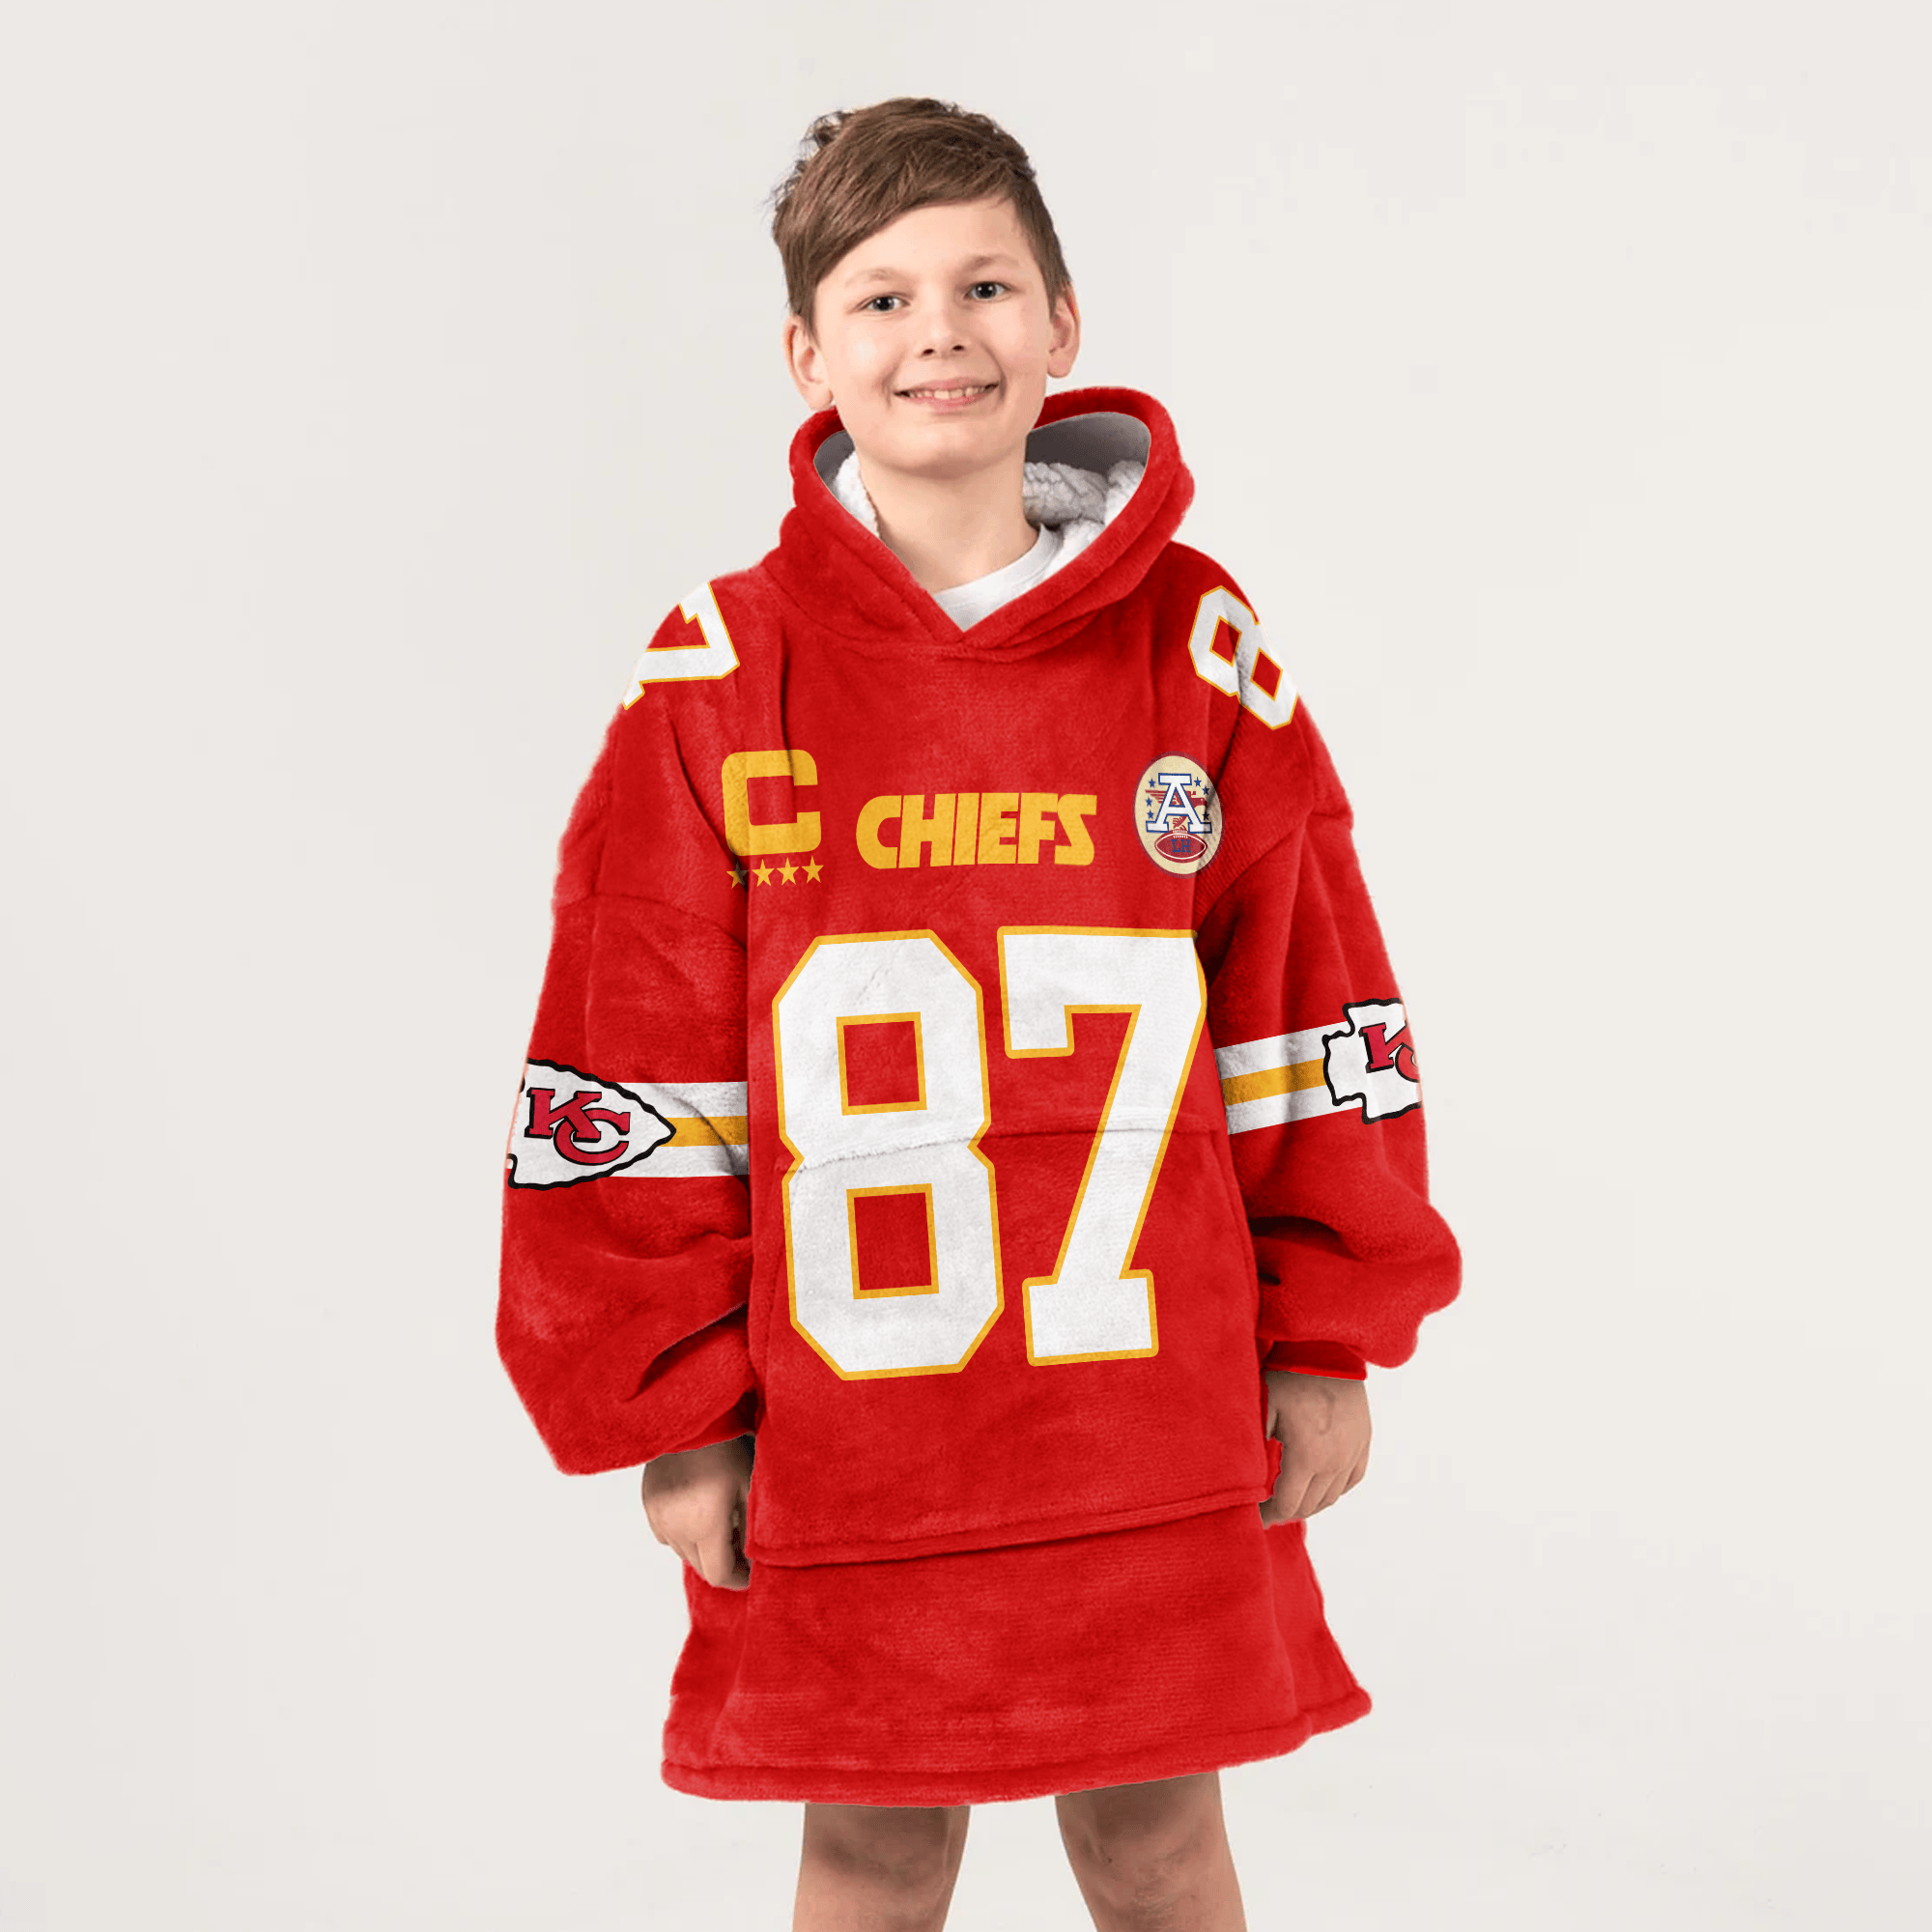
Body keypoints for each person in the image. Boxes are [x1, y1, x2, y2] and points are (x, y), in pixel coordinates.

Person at [497, 95, 1461, 1932]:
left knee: (1157, 1841)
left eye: (985, 286)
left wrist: (1329, 1328)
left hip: (1147, 1413)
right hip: (852, 1429)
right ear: (808, 356)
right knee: (872, 1849)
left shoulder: (1197, 652)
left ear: (1063, 324)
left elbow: (1305, 1004)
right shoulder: (720, 678)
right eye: (881, 299)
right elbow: (633, 1054)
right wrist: (678, 1408)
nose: (938, 332)